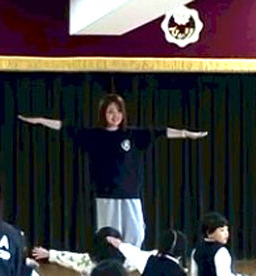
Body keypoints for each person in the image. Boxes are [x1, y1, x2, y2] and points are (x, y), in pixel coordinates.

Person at [18, 93, 208, 247]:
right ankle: (111, 264)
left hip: (130, 194)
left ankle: (129, 264)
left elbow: (162, 132)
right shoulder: (94, 135)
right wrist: (41, 120)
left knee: (136, 234)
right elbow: (65, 126)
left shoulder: (132, 134)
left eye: (118, 111)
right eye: (110, 111)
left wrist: (185, 134)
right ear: (103, 114)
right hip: (106, 195)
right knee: (108, 235)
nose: (115, 115)